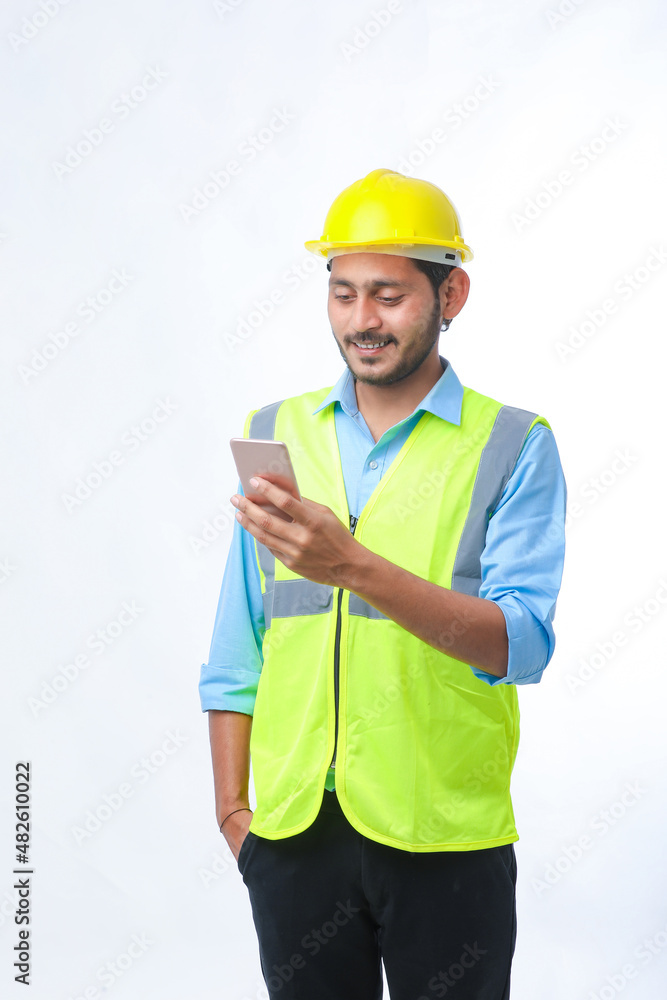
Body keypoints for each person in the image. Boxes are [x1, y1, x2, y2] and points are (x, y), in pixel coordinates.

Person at [199, 168, 567, 1000]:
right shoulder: (275, 432)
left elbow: (523, 646)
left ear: (452, 293)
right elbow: (237, 644)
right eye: (342, 293)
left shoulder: (513, 445)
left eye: (389, 296)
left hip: (444, 837)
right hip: (292, 836)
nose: (361, 321)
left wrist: (352, 566)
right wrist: (233, 816)